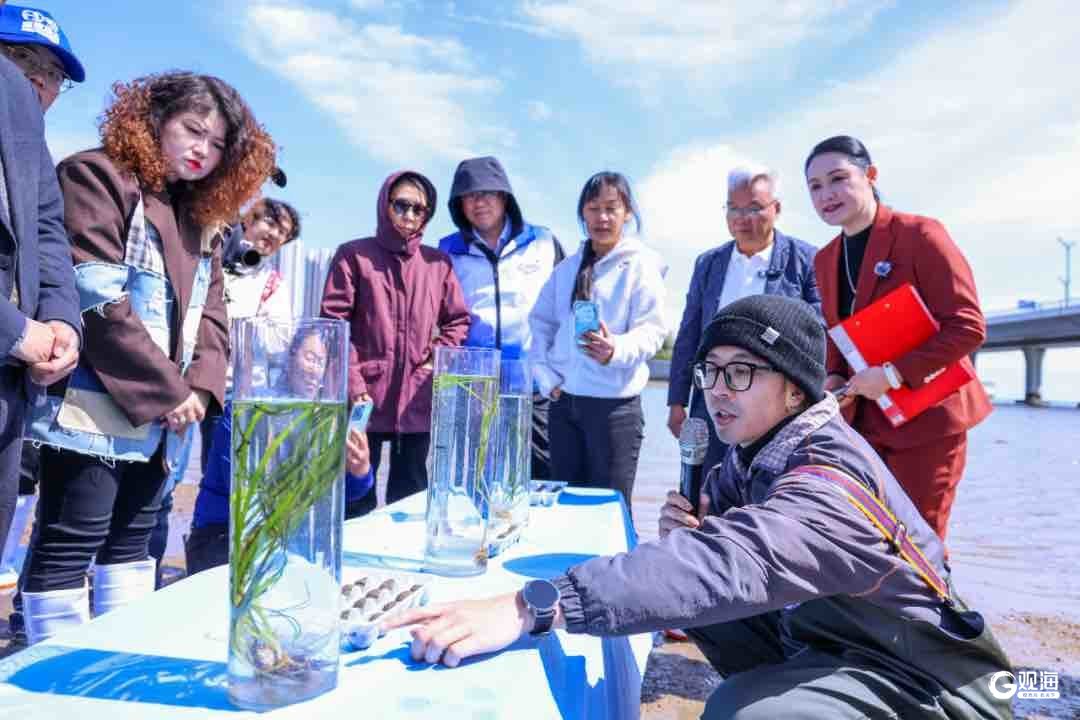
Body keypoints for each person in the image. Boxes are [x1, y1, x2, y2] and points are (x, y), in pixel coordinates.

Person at [385, 295, 1012, 720]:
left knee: (743, 711)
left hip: (931, 683)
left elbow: (730, 562)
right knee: (698, 601)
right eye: (710, 372)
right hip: (836, 644)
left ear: (796, 390)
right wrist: (692, 533)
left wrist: (534, 605)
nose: (717, 391)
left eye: (742, 372)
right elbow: (706, 564)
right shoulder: (752, 456)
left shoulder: (830, 481)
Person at [20, 71, 276, 644]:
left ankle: (120, 659)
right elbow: (94, 296)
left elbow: (214, 310)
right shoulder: (97, 175)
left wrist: (202, 388)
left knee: (134, 544)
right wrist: (171, 391)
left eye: (217, 144)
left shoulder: (202, 213)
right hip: (90, 406)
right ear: (154, 118)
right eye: (193, 130)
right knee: (71, 539)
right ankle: (48, 675)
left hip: (168, 419)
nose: (202, 150)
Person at [805, 135, 991, 541]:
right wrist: (833, 377)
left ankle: (934, 588)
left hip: (929, 422)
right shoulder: (824, 258)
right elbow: (837, 333)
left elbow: (968, 326)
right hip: (864, 424)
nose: (826, 194)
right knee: (867, 540)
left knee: (920, 543)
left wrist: (891, 374)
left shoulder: (920, 234)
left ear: (870, 175)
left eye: (838, 179)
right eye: (815, 187)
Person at [147, 195, 300, 583]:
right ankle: (149, 572)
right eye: (269, 223)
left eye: (282, 233)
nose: (273, 235)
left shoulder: (272, 283)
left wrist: (226, 326)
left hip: (235, 396)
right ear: (247, 219)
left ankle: (209, 568)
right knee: (164, 480)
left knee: (226, 488)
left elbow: (278, 343)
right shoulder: (210, 256)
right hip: (186, 385)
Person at [320, 171, 470, 515]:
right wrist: (354, 385)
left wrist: (434, 359)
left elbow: (458, 320)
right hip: (363, 398)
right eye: (401, 205)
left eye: (420, 209)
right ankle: (353, 548)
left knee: (411, 497)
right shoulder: (353, 255)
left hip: (416, 398)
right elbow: (334, 326)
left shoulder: (437, 264)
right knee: (355, 493)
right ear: (384, 204)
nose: (410, 215)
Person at [185, 325, 373, 576]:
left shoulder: (325, 418)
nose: (314, 370)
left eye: (322, 362)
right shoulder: (249, 412)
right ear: (290, 358)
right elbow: (247, 492)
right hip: (225, 537)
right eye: (310, 358)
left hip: (290, 540)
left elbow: (341, 496)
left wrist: (359, 472)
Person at [668, 165, 821, 473]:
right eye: (733, 208)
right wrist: (676, 401)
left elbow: (818, 331)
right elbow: (689, 334)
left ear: (776, 209)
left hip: (773, 404)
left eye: (753, 208)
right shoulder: (708, 263)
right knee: (706, 486)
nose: (742, 218)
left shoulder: (807, 260)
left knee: (767, 485)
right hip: (713, 397)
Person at [0, 3, 83, 559]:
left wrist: (61, 322)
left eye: (52, 74)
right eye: (20, 59)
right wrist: (13, 330)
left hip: (11, 388)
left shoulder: (36, 153)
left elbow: (49, 236)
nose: (37, 80)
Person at [529, 172, 666, 506]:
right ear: (583, 213)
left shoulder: (641, 265)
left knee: (610, 510)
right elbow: (539, 322)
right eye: (593, 208)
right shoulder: (566, 269)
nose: (602, 217)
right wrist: (547, 379)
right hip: (564, 407)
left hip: (614, 410)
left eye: (611, 208)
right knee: (566, 507)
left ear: (627, 213)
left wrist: (615, 349)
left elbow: (652, 331)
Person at [437, 156, 564, 480]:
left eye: (487, 193)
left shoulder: (544, 241)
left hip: (535, 386)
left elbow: (571, 306)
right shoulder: (446, 251)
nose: (478, 202)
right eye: (468, 196)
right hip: (473, 389)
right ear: (459, 205)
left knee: (543, 477)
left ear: (505, 196)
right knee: (472, 479)